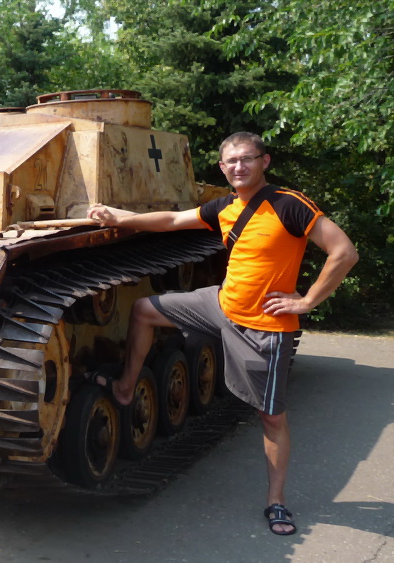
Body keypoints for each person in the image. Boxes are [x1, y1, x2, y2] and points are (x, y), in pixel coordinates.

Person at [86, 132, 358, 536]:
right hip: (220, 305)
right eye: (231, 161)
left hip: (263, 326)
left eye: (247, 159)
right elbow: (173, 220)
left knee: (271, 418)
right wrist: (120, 217)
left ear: (265, 161)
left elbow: (344, 252)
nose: (238, 167)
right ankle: (126, 388)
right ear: (222, 167)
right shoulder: (226, 206)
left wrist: (307, 301)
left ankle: (277, 501)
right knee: (144, 310)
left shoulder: (289, 204)